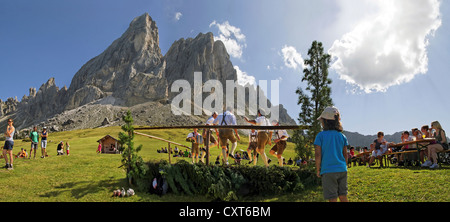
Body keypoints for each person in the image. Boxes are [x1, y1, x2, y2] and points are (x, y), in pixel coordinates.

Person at [314, 107, 349, 202]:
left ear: (324, 121)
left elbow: (318, 155)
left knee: (332, 197)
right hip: (342, 169)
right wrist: (344, 165)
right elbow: (345, 155)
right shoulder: (342, 136)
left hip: (328, 171)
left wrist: (318, 170)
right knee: (343, 195)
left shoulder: (320, 136)